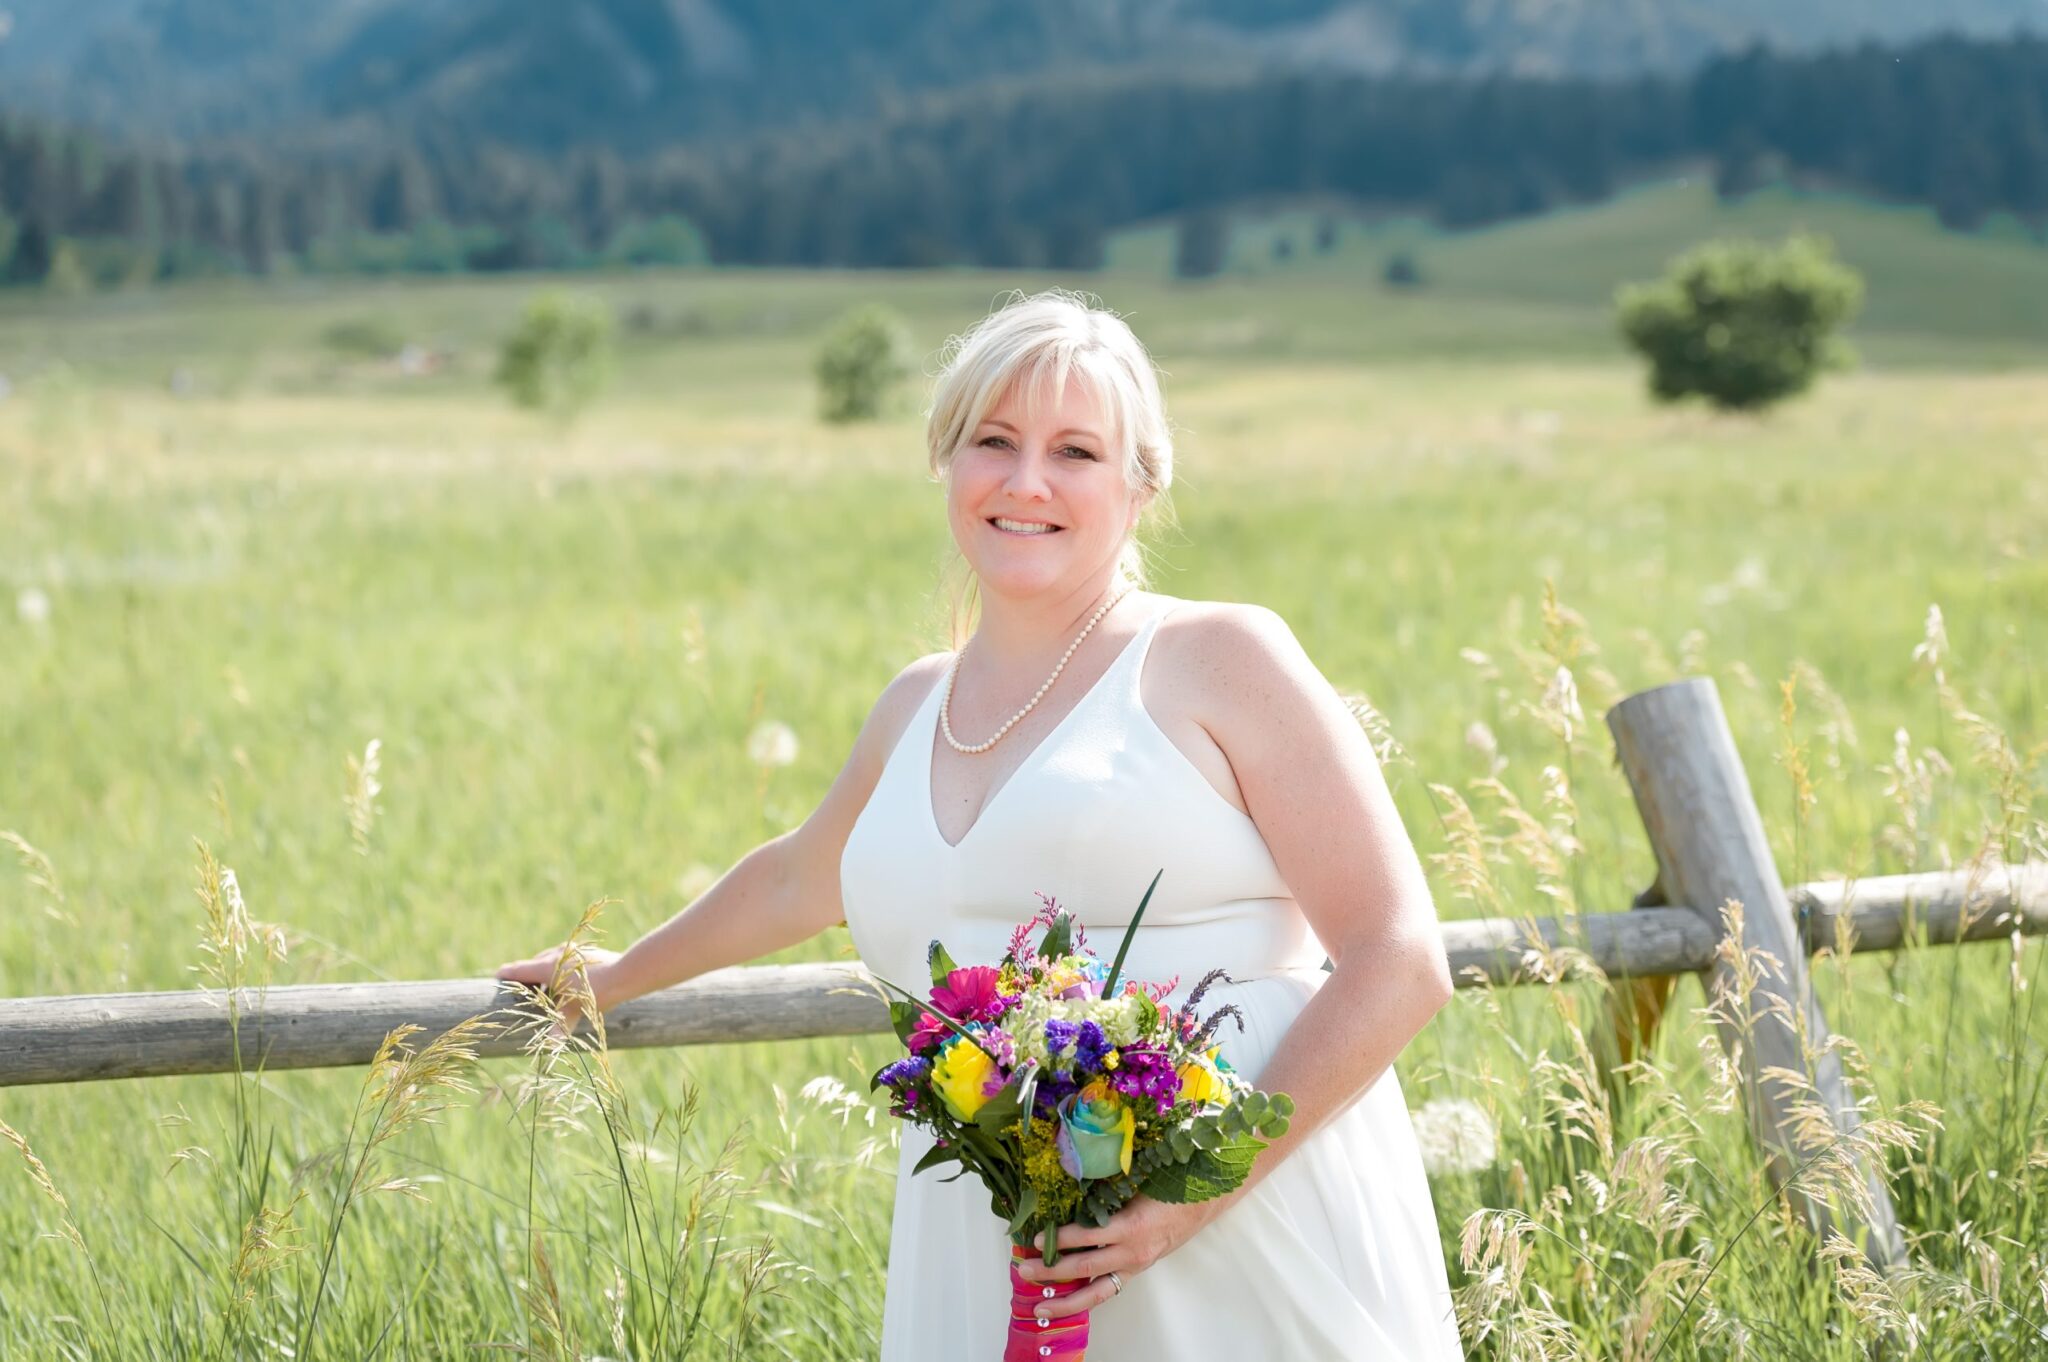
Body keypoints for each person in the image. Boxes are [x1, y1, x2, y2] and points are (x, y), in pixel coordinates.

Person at [497, 288, 1466, 1359]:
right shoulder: (916, 702)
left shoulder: (1219, 659)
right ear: (944, 463)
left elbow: (1399, 957)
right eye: (991, 442)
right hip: (989, 1225)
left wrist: (1192, 1197)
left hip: (1231, 1211)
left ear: (1141, 485)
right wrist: (612, 976)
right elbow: (797, 879)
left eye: (1076, 453)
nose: (1025, 482)